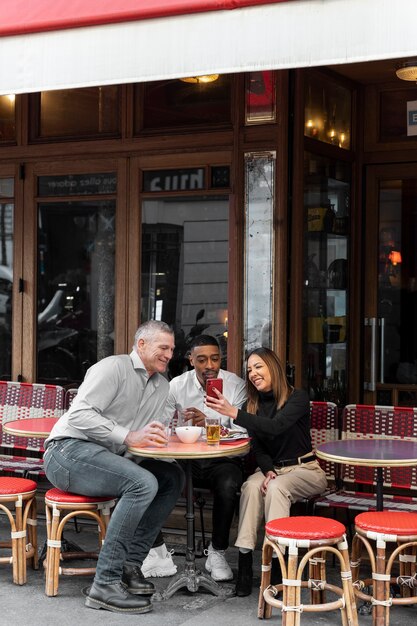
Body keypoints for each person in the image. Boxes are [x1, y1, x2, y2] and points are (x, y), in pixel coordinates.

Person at [43, 320, 185, 614]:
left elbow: (140, 436)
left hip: (107, 459)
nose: (169, 354)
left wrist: (161, 440)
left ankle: (129, 566)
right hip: (66, 452)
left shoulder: (161, 386)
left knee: (171, 476)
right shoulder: (112, 368)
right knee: (142, 483)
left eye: (172, 349)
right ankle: (104, 583)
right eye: (164, 347)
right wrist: (128, 436)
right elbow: (80, 415)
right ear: (141, 344)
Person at [205, 347, 328, 597]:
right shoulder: (254, 404)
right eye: (249, 369)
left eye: (258, 366)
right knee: (251, 485)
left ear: (274, 367)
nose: (253, 373)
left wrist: (233, 413)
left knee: (276, 487)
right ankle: (245, 563)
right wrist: (269, 469)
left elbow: (276, 427)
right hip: (275, 470)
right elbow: (260, 447)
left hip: (305, 469)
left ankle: (277, 567)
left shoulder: (298, 397)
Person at [144, 334, 247, 581]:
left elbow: (244, 430)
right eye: (202, 360)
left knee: (229, 482)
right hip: (183, 458)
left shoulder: (235, 385)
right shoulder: (177, 385)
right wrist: (178, 422)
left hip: (222, 459)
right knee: (147, 477)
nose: (209, 365)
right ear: (191, 360)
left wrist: (211, 422)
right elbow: (162, 424)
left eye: (214, 359)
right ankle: (158, 551)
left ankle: (217, 551)